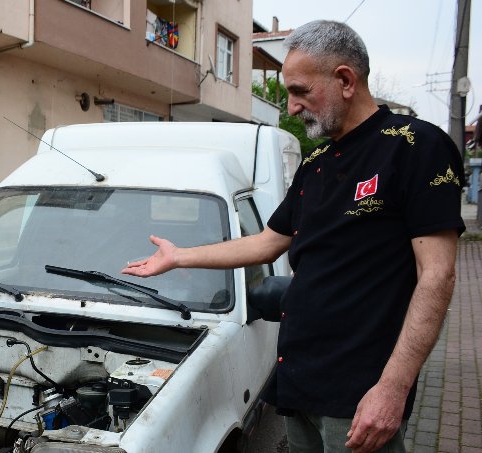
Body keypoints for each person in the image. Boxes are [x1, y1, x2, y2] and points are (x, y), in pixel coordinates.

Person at [122, 20, 465, 453]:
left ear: (344, 80)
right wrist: (180, 257)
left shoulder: (415, 147)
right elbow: (267, 242)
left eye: (300, 91)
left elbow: (437, 277)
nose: (291, 107)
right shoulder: (317, 160)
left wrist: (393, 388)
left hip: (358, 395)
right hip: (299, 381)